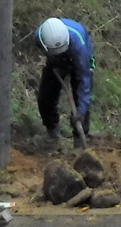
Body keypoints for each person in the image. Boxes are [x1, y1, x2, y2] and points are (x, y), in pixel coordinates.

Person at [35, 17, 94, 150]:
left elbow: (84, 80)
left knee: (81, 99)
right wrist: (56, 62)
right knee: (45, 97)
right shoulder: (39, 36)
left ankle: (79, 141)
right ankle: (52, 136)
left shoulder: (78, 45)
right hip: (55, 60)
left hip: (79, 56)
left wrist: (81, 112)